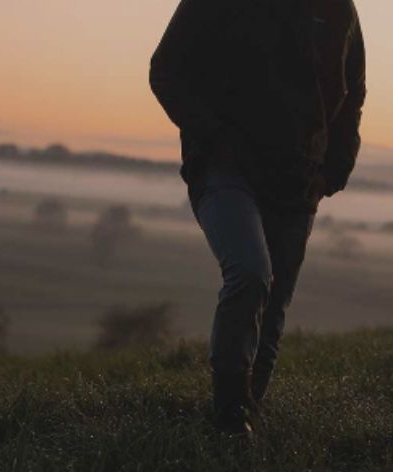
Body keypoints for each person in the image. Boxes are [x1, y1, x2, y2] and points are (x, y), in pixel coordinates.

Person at [150, 0, 366, 436]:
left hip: (299, 177)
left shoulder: (340, 8)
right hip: (226, 169)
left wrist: (335, 164)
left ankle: (242, 427)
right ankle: (229, 416)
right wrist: (213, 138)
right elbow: (165, 70)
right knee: (250, 273)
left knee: (272, 314)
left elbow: (353, 89)